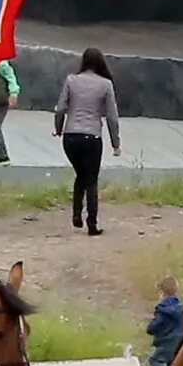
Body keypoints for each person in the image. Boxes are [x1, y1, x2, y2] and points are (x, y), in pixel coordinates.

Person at [54, 49, 122, 236]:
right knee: (91, 179)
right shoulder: (106, 84)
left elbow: (60, 109)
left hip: (71, 137)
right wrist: (116, 143)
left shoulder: (71, 80)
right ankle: (92, 223)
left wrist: (59, 129)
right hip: (92, 137)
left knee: (81, 174)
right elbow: (112, 117)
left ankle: (77, 214)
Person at [144, 276, 183, 366]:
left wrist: (150, 328)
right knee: (172, 365)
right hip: (180, 340)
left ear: (161, 293)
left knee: (155, 360)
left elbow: (156, 325)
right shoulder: (181, 307)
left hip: (167, 342)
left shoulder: (163, 309)